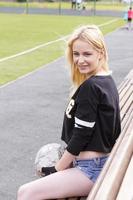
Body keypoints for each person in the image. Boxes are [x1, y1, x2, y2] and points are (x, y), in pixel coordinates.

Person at [17, 25, 121, 200]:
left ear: (101, 53)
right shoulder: (106, 81)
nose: (80, 60)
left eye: (87, 54)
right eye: (76, 54)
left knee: (25, 193)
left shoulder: (91, 87)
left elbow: (80, 136)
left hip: (90, 169)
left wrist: (56, 169)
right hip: (99, 164)